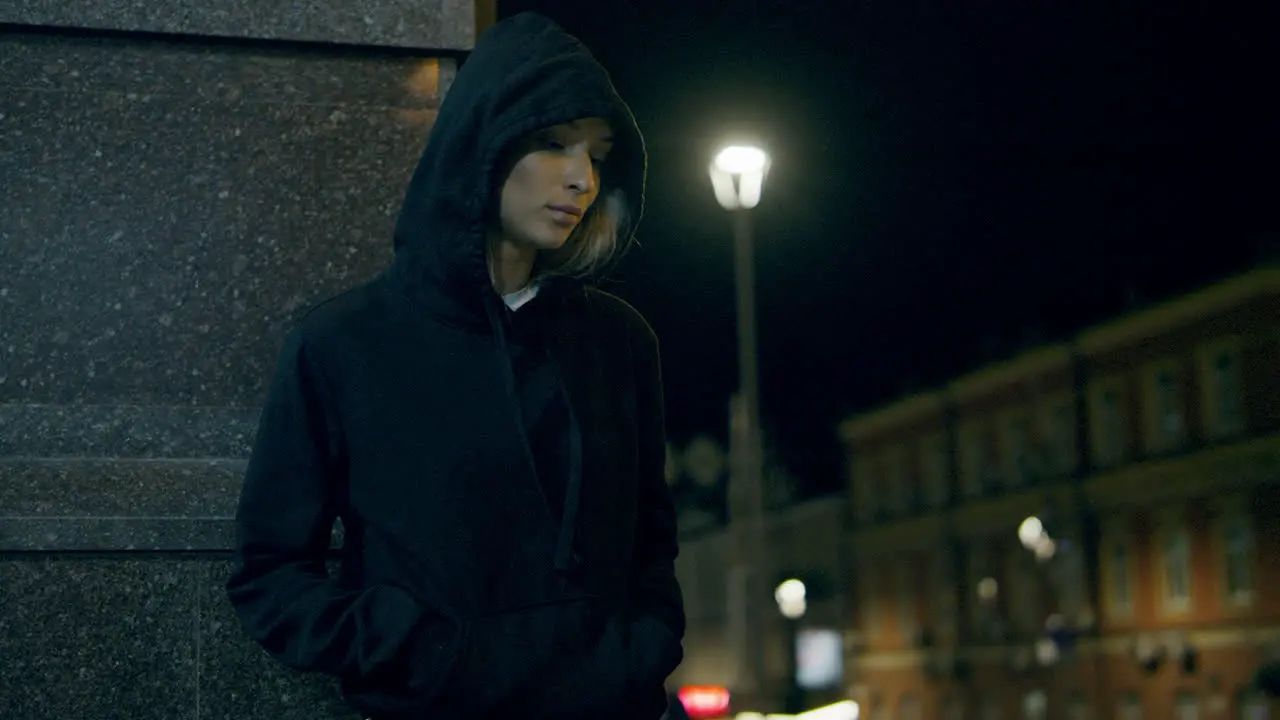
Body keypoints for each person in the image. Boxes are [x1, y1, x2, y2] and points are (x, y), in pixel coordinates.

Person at [225, 12, 684, 720]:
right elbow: (270, 573)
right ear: (481, 142)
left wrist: (634, 651)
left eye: (598, 153)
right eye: (553, 143)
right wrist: (417, 650)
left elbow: (652, 544)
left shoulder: (619, 343)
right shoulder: (343, 342)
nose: (582, 178)